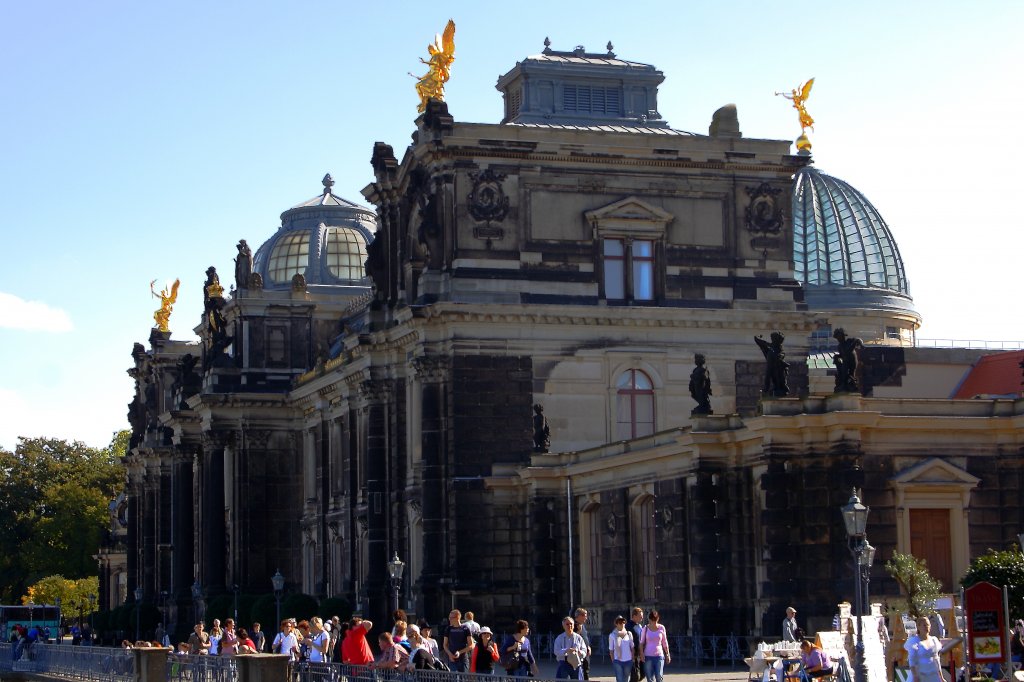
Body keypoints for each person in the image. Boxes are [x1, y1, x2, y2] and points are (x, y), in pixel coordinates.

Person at [906, 618, 942, 682]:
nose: (926, 627)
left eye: (928, 625)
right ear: (918, 627)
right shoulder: (914, 641)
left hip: (932, 675)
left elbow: (936, 659)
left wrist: (941, 677)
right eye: (924, 625)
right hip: (919, 674)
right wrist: (915, 676)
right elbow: (912, 661)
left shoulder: (934, 640)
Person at [639, 610, 670, 682]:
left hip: (659, 656)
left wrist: (667, 654)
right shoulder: (645, 629)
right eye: (652, 620)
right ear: (649, 619)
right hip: (648, 656)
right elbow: (641, 643)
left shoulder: (661, 628)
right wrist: (641, 654)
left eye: (655, 620)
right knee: (650, 679)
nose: (654, 622)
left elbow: (665, 642)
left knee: (659, 677)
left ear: (657, 619)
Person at [555, 615, 588, 680]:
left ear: (573, 625)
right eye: (567, 624)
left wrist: (579, 652)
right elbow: (556, 651)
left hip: (576, 663)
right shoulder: (559, 638)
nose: (569, 626)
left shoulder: (579, 638)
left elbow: (584, 650)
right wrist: (566, 650)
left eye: (571, 624)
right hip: (564, 663)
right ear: (563, 626)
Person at [608, 615, 635, 682]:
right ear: (616, 624)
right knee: (619, 679)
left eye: (623, 622)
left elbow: (632, 647)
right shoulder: (612, 635)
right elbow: (611, 650)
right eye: (620, 623)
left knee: (626, 679)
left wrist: (632, 658)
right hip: (617, 661)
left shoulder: (629, 634)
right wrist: (613, 660)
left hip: (628, 660)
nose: (622, 624)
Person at [574, 608, 593, 680]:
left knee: (586, 670)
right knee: (581, 672)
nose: (586, 618)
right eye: (585, 616)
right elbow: (574, 638)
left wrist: (588, 646)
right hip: (579, 653)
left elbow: (584, 637)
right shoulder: (574, 626)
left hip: (586, 652)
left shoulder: (582, 625)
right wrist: (578, 631)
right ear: (580, 616)